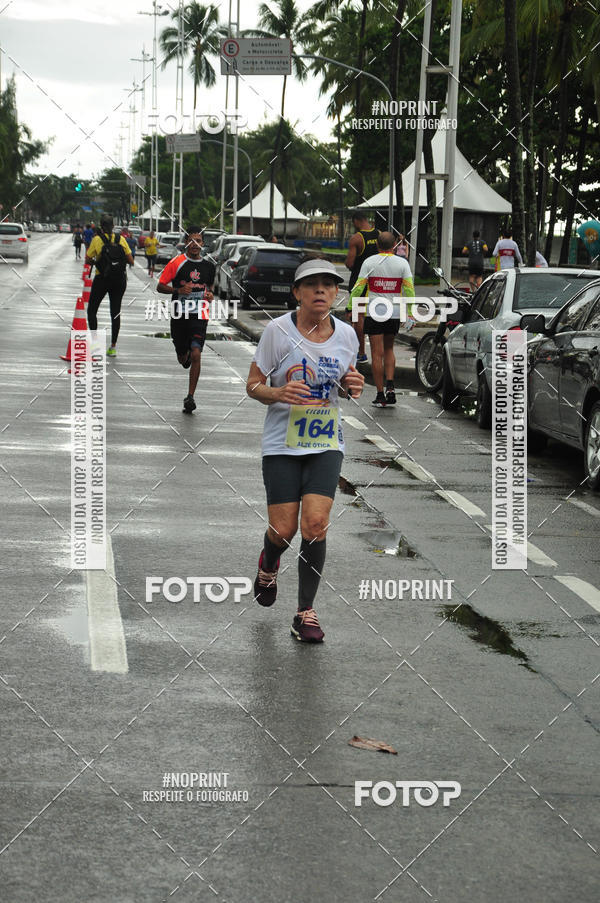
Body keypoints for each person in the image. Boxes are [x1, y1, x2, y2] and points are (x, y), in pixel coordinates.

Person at [246, 258, 364, 643]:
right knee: (284, 529)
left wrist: (352, 385)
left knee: (315, 525)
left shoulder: (347, 336)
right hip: (281, 444)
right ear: (297, 293)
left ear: (335, 294)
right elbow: (252, 385)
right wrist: (277, 392)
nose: (320, 291)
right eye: (311, 284)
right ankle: (269, 562)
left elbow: (345, 384)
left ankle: (305, 612)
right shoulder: (278, 333)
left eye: (328, 285)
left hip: (326, 442)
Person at [348, 232, 415, 407]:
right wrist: (409, 312)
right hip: (393, 312)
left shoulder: (369, 262)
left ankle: (380, 394)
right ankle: (391, 386)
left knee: (376, 354)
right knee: (389, 349)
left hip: (374, 312)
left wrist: (350, 306)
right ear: (394, 246)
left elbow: (358, 287)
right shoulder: (402, 263)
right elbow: (409, 290)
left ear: (377, 245)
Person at [157, 227, 215, 414]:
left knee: (197, 353)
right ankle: (185, 356)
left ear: (202, 244)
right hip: (179, 315)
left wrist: (209, 296)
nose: (195, 244)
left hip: (199, 315)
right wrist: (178, 291)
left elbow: (210, 289)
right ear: (186, 243)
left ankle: (190, 396)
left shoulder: (209, 267)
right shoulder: (177, 263)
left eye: (198, 241)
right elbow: (160, 286)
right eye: (191, 241)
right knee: (183, 357)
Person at [85, 215, 134, 357]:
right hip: (119, 280)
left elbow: (88, 259)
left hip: (102, 278)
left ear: (101, 226)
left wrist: (98, 260)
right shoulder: (121, 239)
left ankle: (95, 345)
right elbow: (131, 260)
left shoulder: (97, 240)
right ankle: (113, 347)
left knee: (92, 310)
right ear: (113, 226)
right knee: (115, 312)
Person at [345, 212, 380, 363]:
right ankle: (378, 354)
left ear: (356, 221)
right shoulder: (380, 235)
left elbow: (350, 263)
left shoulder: (357, 239)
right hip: (377, 282)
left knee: (357, 317)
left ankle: (361, 352)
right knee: (375, 315)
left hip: (359, 283)